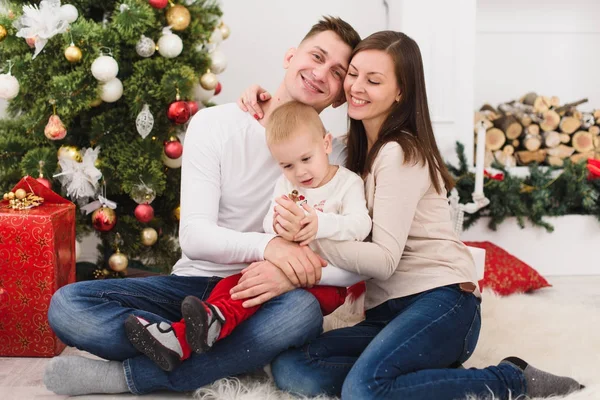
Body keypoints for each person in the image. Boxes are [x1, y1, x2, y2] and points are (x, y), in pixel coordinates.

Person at [237, 31, 585, 400]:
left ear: (400, 92)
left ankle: (512, 379)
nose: (356, 87)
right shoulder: (348, 152)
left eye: (374, 80)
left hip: (442, 301)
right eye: (353, 74)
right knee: (294, 368)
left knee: (364, 390)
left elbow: (385, 261)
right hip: (386, 312)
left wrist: (313, 233)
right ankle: (426, 376)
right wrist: (270, 101)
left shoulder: (398, 153)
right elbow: (299, 139)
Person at [42, 17, 365, 396]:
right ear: (291, 56)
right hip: (193, 287)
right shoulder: (216, 124)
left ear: (340, 96)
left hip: (270, 297)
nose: (320, 73)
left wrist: (290, 276)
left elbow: (358, 257)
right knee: (68, 306)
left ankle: (128, 376)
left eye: (336, 72)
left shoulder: (339, 156)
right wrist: (269, 247)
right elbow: (194, 237)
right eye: (316, 56)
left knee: (301, 314)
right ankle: (227, 354)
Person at [123, 101, 371, 372]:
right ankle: (187, 333)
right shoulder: (287, 184)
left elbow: (361, 225)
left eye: (306, 159)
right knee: (238, 282)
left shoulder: (348, 183)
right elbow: (268, 222)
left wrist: (319, 224)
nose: (299, 172)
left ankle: (208, 331)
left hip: (322, 282)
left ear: (326, 144)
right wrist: (279, 227)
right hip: (278, 265)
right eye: (287, 165)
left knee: (286, 308)